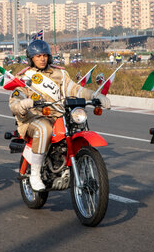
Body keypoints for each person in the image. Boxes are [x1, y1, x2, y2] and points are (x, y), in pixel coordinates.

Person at [9, 40, 111, 191]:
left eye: (44, 55)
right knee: (44, 128)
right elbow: (16, 98)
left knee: (76, 125)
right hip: (34, 118)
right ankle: (35, 174)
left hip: (59, 115)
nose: (42, 59)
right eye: (38, 56)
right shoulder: (25, 78)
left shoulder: (60, 74)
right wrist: (22, 104)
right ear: (31, 58)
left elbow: (75, 89)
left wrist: (95, 95)